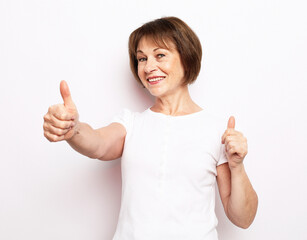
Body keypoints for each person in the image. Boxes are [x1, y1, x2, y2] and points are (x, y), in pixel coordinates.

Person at [43, 16, 258, 240]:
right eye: (142, 58)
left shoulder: (216, 130)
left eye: (160, 55)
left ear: (187, 58)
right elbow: (98, 143)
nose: (149, 67)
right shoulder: (131, 123)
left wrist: (237, 166)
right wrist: (73, 129)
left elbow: (243, 218)